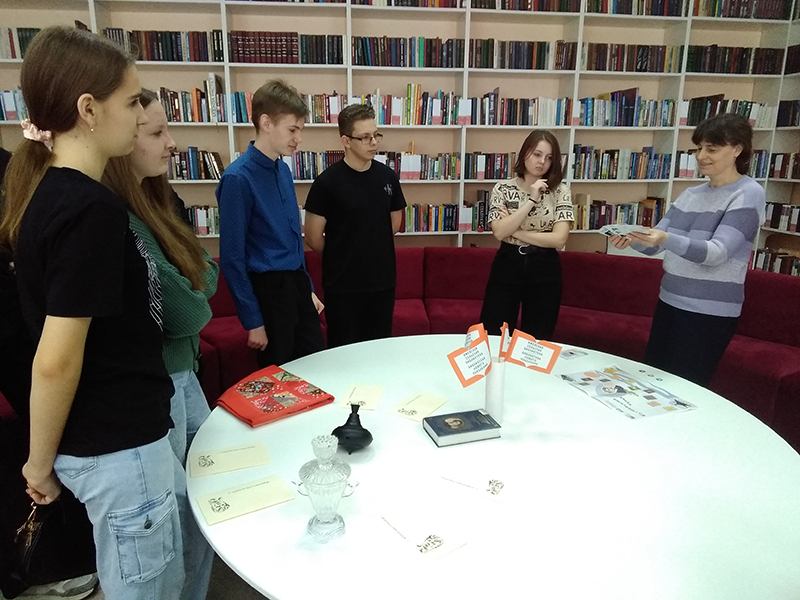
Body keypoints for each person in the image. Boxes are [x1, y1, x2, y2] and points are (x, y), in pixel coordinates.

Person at [0, 26, 185, 599]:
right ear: (88, 109)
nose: (139, 115)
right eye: (130, 102)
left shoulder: (51, 192)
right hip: (118, 445)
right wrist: (37, 463)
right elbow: (56, 358)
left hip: (115, 439)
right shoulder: (89, 209)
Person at [103, 88, 218, 600]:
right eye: (156, 132)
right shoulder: (121, 220)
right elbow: (192, 310)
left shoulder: (158, 202)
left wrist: (191, 282)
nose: (172, 143)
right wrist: (192, 283)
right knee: (177, 512)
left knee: (205, 489)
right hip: (159, 382)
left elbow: (207, 273)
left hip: (183, 370)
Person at [609, 113, 765, 387]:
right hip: (669, 301)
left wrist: (665, 238)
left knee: (683, 389)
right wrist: (631, 238)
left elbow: (716, 253)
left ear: (737, 149)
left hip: (708, 313)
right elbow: (655, 245)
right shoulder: (690, 194)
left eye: (711, 149)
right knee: (651, 382)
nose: (701, 156)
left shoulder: (748, 193)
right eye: (698, 148)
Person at [216, 79, 324, 368]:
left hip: (296, 284)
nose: (299, 138)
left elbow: (294, 239)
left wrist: (307, 288)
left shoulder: (283, 170)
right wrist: (253, 320)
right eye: (293, 129)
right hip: (269, 292)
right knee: (278, 376)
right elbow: (232, 258)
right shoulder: (238, 179)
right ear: (266, 123)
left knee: (315, 365)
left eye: (300, 130)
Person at [304, 103, 406, 347]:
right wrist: (341, 253)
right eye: (365, 137)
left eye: (376, 135)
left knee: (380, 348)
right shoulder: (327, 183)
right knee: (344, 351)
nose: (374, 142)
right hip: (343, 286)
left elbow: (393, 224)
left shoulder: (387, 177)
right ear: (346, 141)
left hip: (382, 282)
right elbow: (313, 236)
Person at [479, 130, 574, 339]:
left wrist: (515, 230)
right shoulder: (503, 189)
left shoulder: (561, 191)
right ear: (525, 154)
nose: (542, 162)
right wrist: (531, 200)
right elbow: (499, 232)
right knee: (494, 332)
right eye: (537, 154)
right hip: (508, 261)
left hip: (544, 265)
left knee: (537, 337)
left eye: (549, 158)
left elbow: (559, 239)